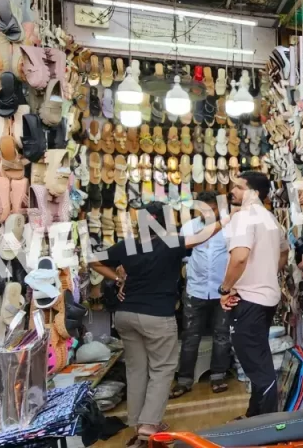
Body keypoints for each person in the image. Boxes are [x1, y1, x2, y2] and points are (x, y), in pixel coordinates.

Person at [90, 202, 225, 443]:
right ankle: (150, 424)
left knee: (136, 369)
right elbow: (203, 235)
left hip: (125, 315)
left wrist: (119, 278)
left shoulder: (129, 244)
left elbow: (93, 261)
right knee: (162, 369)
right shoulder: (170, 243)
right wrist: (228, 218)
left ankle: (138, 421)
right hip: (157, 316)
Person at [219, 171, 289, 418]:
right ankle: (254, 416)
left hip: (249, 300)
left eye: (238, 187)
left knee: (258, 368)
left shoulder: (244, 217)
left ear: (254, 193)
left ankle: (268, 424)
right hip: (266, 298)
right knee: (259, 360)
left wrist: (225, 288)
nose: (233, 191)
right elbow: (284, 252)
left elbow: (239, 257)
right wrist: (267, 272)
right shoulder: (270, 219)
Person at [171, 192, 232, 398]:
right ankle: (185, 380)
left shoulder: (228, 228)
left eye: (213, 209)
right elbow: (183, 256)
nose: (209, 213)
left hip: (222, 290)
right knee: (190, 336)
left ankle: (218, 375)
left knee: (222, 334)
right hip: (195, 289)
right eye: (205, 209)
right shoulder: (189, 228)